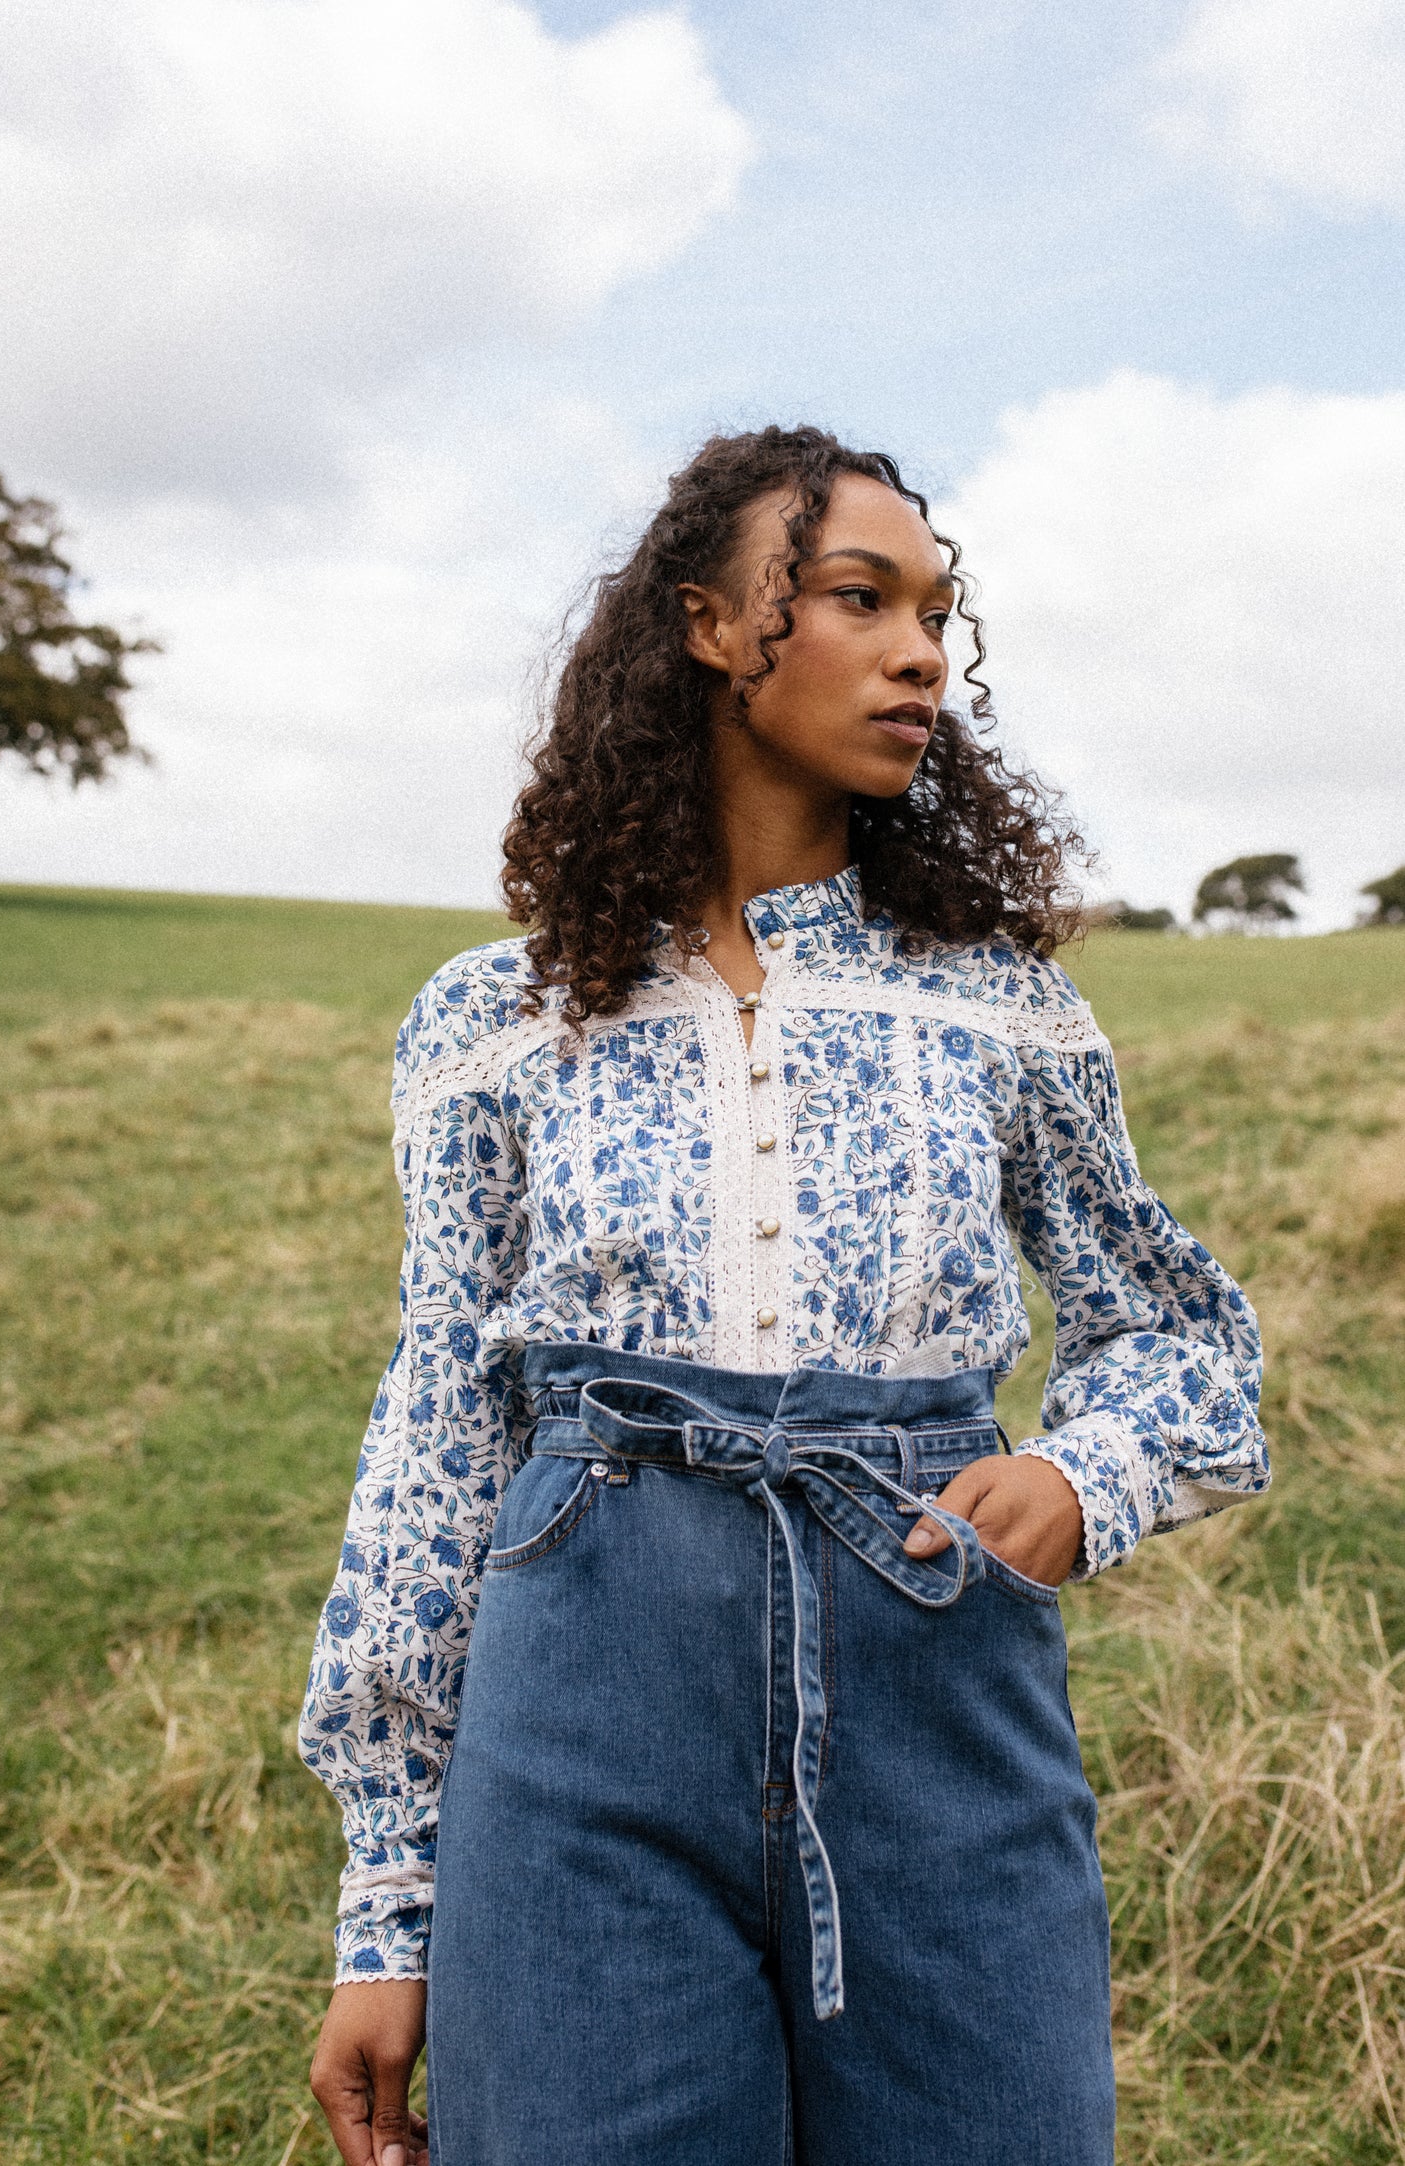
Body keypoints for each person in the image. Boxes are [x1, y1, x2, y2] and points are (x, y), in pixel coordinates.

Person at [301, 425, 1268, 2166]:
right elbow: (440, 1419)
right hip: (578, 1712)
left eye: (937, 614)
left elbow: (1180, 1334)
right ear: (704, 625)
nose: (920, 651)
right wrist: (388, 1897)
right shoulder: (492, 1018)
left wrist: (1077, 1476)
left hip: (938, 1700)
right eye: (857, 596)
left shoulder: (999, 1003)